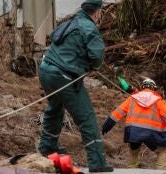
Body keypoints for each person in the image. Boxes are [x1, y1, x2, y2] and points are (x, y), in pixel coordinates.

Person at [37, 0, 112, 172]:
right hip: (63, 76)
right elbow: (98, 57)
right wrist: (92, 64)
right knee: (87, 118)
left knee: (55, 108)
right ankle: (97, 163)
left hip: (45, 70)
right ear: (97, 12)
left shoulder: (71, 22)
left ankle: (48, 148)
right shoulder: (90, 28)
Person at [101, 79, 166, 170]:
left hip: (133, 132)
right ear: (154, 88)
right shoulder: (158, 100)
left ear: (142, 87)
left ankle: (131, 171)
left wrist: (108, 124)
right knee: (162, 153)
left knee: (133, 152)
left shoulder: (133, 98)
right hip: (152, 134)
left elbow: (118, 112)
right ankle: (161, 172)